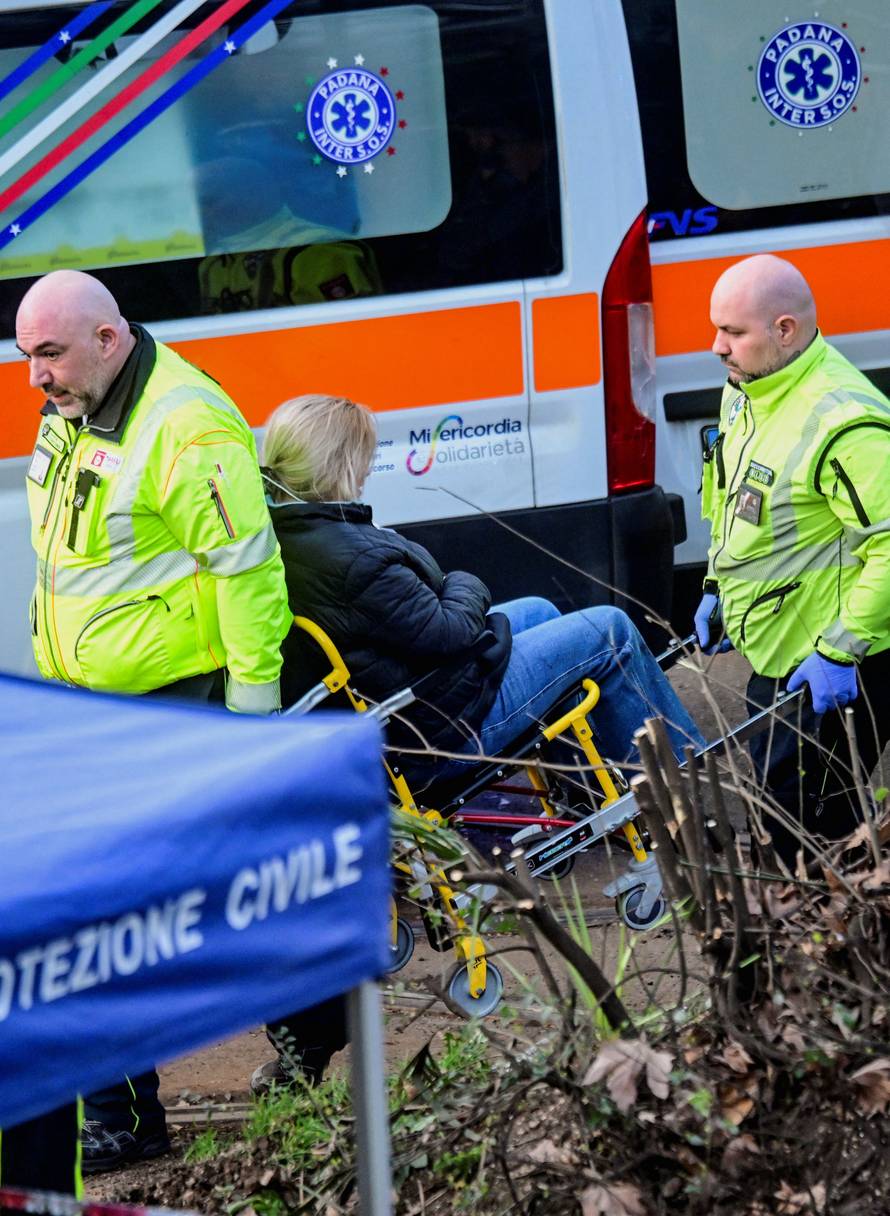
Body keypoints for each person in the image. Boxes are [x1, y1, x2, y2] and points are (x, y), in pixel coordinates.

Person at [251, 393, 703, 1087]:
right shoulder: (352, 556)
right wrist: (463, 576)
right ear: (341, 463)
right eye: (363, 457)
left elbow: (434, 625)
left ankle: (587, 792)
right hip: (444, 726)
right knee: (610, 630)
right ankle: (688, 785)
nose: (370, 469)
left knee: (540, 611)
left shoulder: (282, 536)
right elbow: (453, 627)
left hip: (398, 708)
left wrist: (464, 605)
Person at [15, 270, 293, 1174]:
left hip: (175, 705)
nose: (34, 379)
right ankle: (130, 1108)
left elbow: (249, 573)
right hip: (91, 710)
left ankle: (133, 1115)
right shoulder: (74, 406)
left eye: (48, 354)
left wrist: (251, 719)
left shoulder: (185, 422)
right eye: (25, 359)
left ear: (108, 337)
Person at [696, 254, 890, 868]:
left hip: (834, 670)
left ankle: (841, 961)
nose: (717, 346)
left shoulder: (844, 421)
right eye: (717, 328)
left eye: (734, 331)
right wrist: (716, 588)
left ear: (785, 329)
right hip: (781, 659)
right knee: (794, 830)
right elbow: (733, 503)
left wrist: (839, 651)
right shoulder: (749, 391)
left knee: (811, 846)